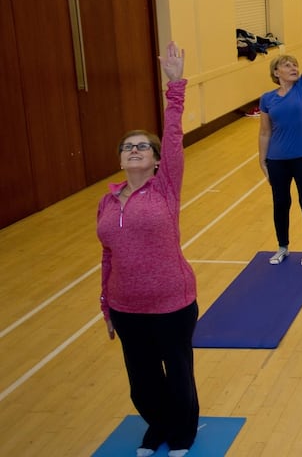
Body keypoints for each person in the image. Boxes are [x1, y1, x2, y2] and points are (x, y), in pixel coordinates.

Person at [97, 42, 198, 457]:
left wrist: (174, 86)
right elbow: (108, 255)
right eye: (128, 147)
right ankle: (157, 425)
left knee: (177, 373)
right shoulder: (107, 200)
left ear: (157, 161)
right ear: (121, 159)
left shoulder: (165, 188)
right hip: (126, 306)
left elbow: (173, 136)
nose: (134, 150)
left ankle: (182, 434)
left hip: (172, 302)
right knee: (141, 381)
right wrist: (106, 304)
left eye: (143, 147)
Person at [258, 0, 302, 266]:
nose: (293, 68)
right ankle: (282, 246)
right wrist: (261, 159)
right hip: (277, 159)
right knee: (280, 203)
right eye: (287, 65)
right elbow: (265, 132)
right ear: (276, 72)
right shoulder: (267, 99)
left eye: (294, 65)